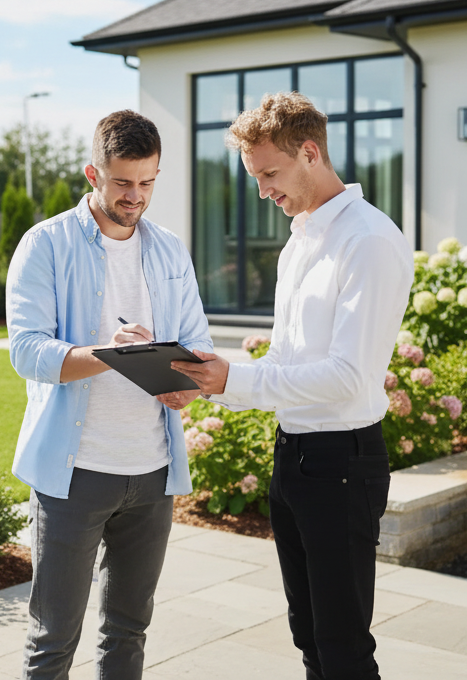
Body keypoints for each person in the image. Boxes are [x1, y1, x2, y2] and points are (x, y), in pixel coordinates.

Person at [171, 92, 412, 680]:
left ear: (310, 152)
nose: (262, 191)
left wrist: (234, 379)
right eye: (255, 177)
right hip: (294, 456)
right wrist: (209, 379)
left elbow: (349, 375)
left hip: (343, 463)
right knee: (308, 635)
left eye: (269, 174)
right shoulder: (301, 238)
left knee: (343, 645)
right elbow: (285, 356)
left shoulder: (368, 240)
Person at [6, 109, 212, 680]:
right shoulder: (44, 245)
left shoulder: (170, 250)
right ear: (93, 175)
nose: (136, 195)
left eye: (148, 182)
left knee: (128, 633)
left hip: (153, 473)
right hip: (74, 474)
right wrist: (111, 356)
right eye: (123, 182)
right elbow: (27, 351)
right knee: (53, 641)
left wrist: (182, 381)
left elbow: (197, 344)